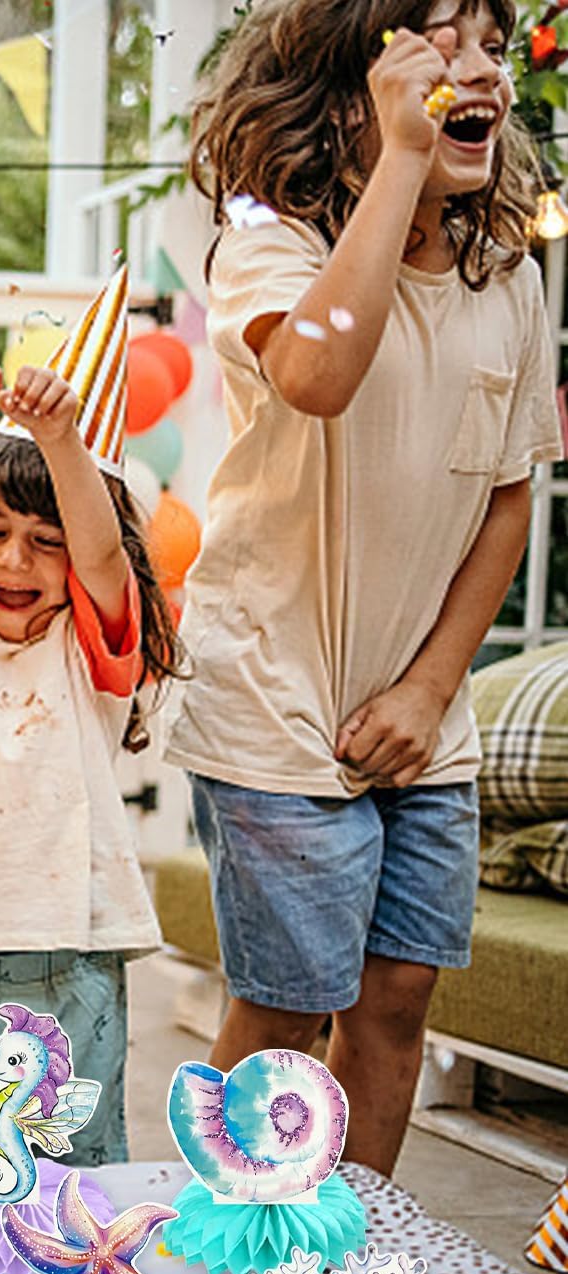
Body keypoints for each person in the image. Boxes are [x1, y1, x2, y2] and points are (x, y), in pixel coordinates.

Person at [167, 0, 561, 1175]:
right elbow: (321, 374)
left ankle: (346, 1252)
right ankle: (225, 1245)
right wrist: (398, 160)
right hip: (273, 698)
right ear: (351, 89)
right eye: (440, 42)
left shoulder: (508, 278)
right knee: (288, 1011)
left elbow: (506, 499)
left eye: (492, 45)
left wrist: (431, 691)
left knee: (394, 1004)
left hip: (421, 712)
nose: (479, 68)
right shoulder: (270, 245)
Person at [0, 267, 186, 1168]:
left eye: (44, 542)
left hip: (75, 952)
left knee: (65, 1173)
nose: (15, 561)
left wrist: (62, 444)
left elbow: (103, 557)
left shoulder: (90, 648)